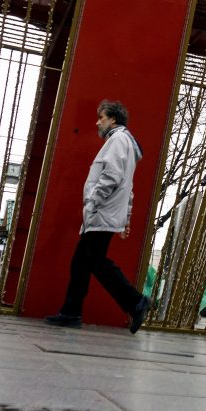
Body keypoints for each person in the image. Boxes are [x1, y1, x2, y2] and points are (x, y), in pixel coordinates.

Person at [45, 99, 151, 333]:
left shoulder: (118, 140)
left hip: (102, 212)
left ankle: (135, 301)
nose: (97, 122)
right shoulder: (123, 142)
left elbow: (111, 177)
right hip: (107, 213)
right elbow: (128, 187)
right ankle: (71, 312)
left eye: (101, 118)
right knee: (82, 263)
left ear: (113, 119)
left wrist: (93, 203)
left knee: (95, 261)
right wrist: (126, 216)